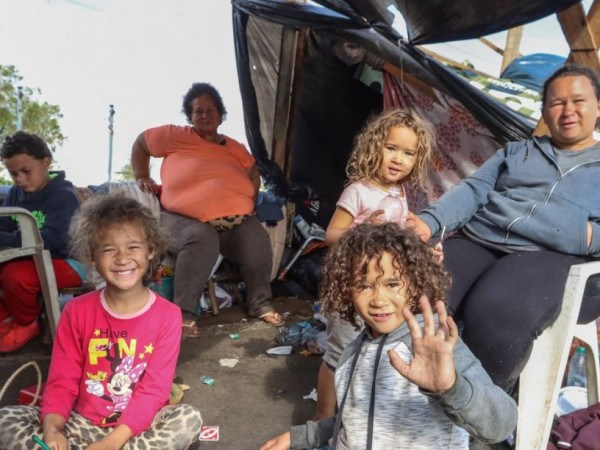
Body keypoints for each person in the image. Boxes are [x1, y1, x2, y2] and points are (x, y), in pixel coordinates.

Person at [407, 63, 600, 392]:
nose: (568, 110)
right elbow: (473, 191)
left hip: (551, 254)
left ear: (597, 106)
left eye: (578, 101)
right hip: (481, 238)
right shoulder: (518, 152)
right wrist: (428, 222)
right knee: (421, 291)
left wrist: (585, 236)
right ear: (545, 111)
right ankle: (400, 397)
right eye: (557, 102)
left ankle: (479, 408)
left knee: (496, 308)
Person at [261, 223, 517, 450]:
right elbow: (354, 421)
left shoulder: (434, 347)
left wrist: (451, 389)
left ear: (416, 284)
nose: (378, 299)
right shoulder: (352, 352)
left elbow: (501, 425)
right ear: (346, 291)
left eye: (392, 284)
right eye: (363, 285)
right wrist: (303, 436)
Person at [0, 193, 202, 449]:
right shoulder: (76, 311)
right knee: (6, 419)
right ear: (92, 257)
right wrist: (52, 430)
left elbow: (153, 391)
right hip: (80, 422)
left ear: (151, 250)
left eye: (133, 247)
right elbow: (62, 381)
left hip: (136, 428)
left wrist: (112, 442)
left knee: (187, 419)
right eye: (108, 249)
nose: (122, 258)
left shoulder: (168, 315)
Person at [131, 82, 282, 337]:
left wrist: (249, 199)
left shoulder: (235, 147)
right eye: (198, 111)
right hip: (180, 219)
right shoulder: (175, 136)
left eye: (210, 110)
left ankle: (259, 303)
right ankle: (184, 314)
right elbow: (141, 144)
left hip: (233, 222)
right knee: (201, 237)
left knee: (257, 239)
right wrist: (142, 175)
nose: (204, 115)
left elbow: (254, 174)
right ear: (189, 116)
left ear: (221, 115)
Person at [315, 109, 438, 419]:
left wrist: (420, 244)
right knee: (338, 353)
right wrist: (362, 228)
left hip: (380, 291)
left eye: (408, 153)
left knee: (371, 348)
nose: (398, 159)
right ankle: (323, 417)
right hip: (351, 287)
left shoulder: (399, 193)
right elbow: (331, 235)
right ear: (374, 147)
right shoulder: (358, 191)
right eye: (391, 148)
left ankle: (356, 410)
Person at [0, 131, 82, 353]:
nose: (19, 179)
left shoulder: (63, 196)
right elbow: (4, 226)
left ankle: (28, 323)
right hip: (29, 259)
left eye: (26, 171)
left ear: (45, 163)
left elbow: (53, 240)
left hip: (68, 262)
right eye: (13, 173)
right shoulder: (15, 194)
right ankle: (6, 320)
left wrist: (8, 239)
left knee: (15, 276)